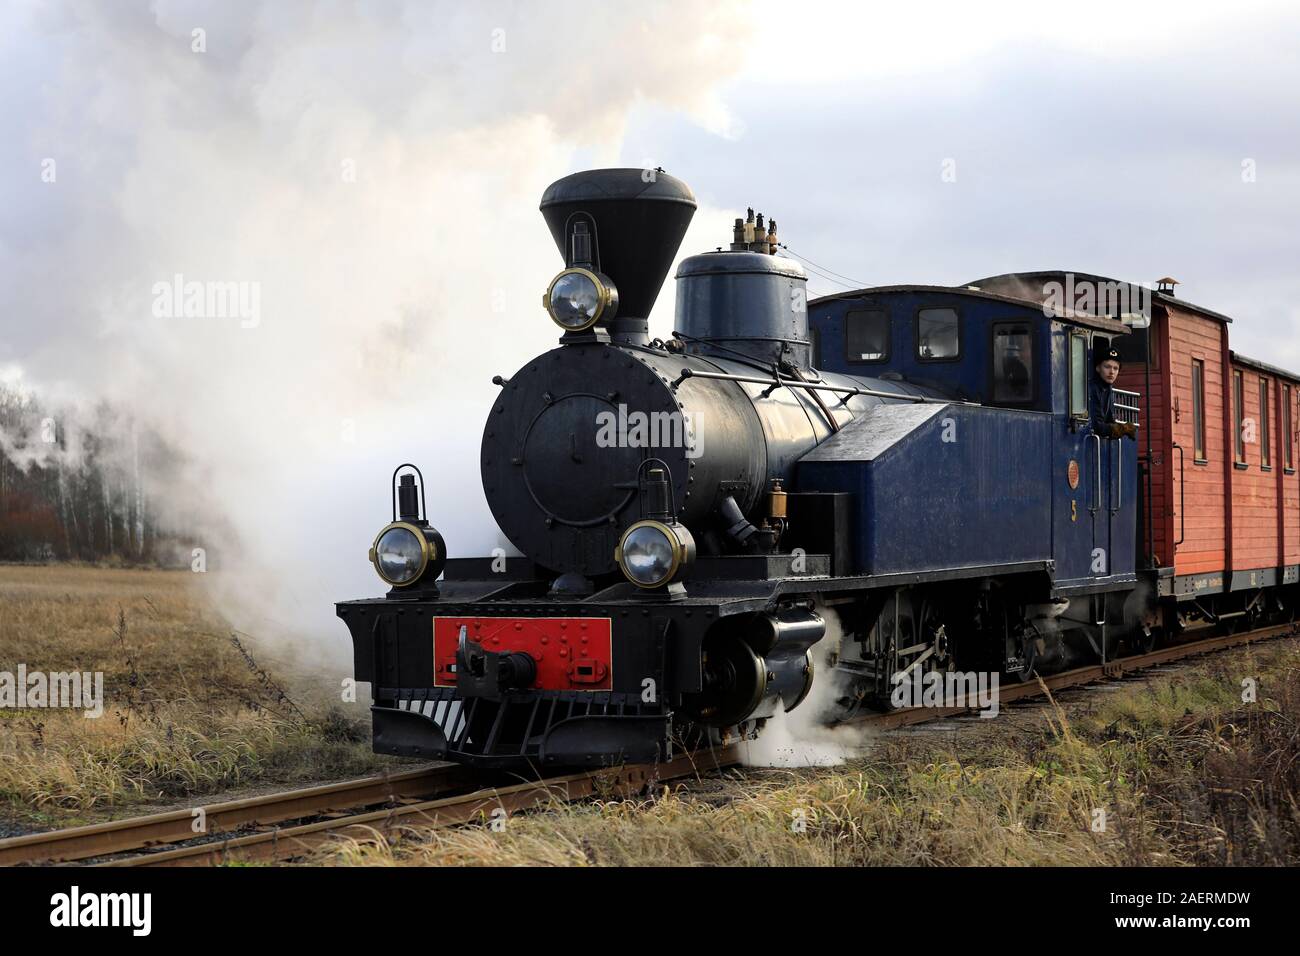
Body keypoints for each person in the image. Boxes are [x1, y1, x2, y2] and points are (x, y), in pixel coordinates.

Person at [1090, 347, 1137, 440]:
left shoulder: (1108, 388)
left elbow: (1109, 420)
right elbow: (1097, 426)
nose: (1111, 372)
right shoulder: (1093, 389)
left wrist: (1120, 428)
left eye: (1115, 368)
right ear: (1098, 368)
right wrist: (1121, 429)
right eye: (1107, 367)